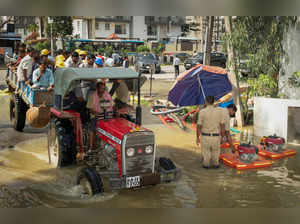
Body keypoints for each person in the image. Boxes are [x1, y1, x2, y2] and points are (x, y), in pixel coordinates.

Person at [196, 96, 225, 169]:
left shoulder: (202, 112)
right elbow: (222, 125)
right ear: (213, 101)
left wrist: (197, 137)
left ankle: (206, 176)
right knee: (216, 159)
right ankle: (216, 175)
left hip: (205, 137)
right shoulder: (219, 111)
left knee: (206, 159)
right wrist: (223, 136)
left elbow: (199, 126)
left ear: (206, 102)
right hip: (216, 137)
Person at [87, 80, 114, 150]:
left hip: (106, 115)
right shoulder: (92, 96)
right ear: (97, 88)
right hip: (95, 116)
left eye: (104, 88)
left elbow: (112, 106)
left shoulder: (107, 95)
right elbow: (90, 109)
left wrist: (116, 111)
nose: (103, 90)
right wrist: (96, 113)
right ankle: (91, 146)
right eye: (101, 88)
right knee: (92, 129)